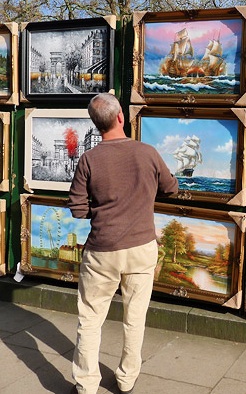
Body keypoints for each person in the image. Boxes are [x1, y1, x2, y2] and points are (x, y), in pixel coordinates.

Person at [68, 93, 178, 394]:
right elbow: (171, 187)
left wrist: (101, 211)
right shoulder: (148, 152)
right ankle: (127, 380)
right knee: (135, 317)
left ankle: (86, 385)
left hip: (102, 250)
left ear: (96, 124)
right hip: (142, 247)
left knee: (90, 319)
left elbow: (77, 209)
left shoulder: (88, 159)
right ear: (120, 118)